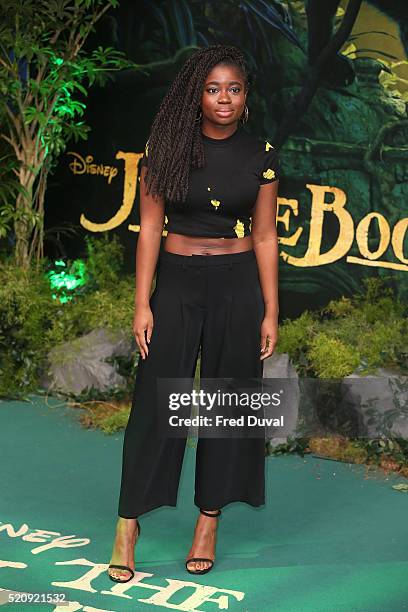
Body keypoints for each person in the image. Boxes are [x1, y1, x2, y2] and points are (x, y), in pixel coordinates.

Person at [107, 44, 280, 582]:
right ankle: (127, 523)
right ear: (196, 95)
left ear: (245, 97)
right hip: (177, 286)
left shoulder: (262, 154)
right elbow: (149, 231)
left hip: (237, 287)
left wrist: (271, 309)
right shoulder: (166, 150)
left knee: (226, 405)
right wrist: (142, 302)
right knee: (157, 404)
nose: (223, 98)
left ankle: (208, 520)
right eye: (213, 88)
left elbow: (266, 235)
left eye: (233, 88)